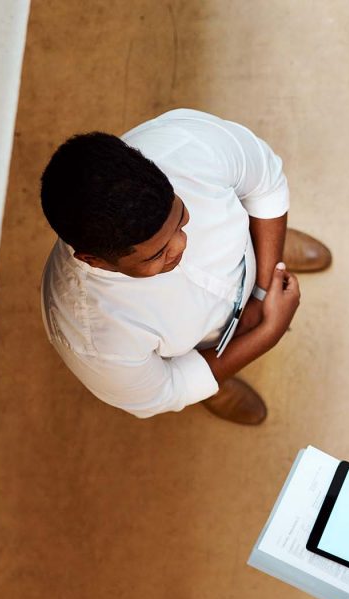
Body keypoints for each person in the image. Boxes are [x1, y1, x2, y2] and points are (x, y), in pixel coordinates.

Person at [39, 109, 333, 424]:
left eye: (181, 218)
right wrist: (266, 335)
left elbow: (264, 183)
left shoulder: (188, 144)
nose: (181, 245)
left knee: (262, 228)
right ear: (92, 260)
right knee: (198, 379)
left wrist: (263, 287)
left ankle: (270, 247)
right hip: (197, 347)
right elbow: (168, 388)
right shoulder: (94, 337)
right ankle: (216, 382)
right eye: (156, 255)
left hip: (250, 258)